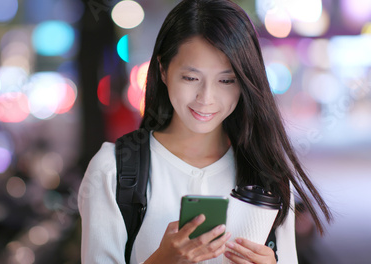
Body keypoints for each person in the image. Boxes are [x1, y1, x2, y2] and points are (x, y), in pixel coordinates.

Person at [78, 0, 332, 263]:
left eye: (226, 80)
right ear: (163, 69)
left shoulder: (268, 175)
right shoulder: (113, 171)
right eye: (190, 78)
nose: (206, 98)